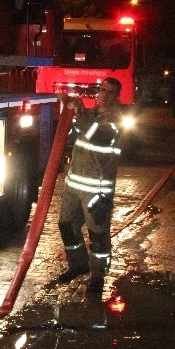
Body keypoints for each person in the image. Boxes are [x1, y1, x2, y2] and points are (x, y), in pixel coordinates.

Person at [57, 77, 124, 297]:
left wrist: (79, 113)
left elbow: (98, 137)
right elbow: (71, 135)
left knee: (98, 235)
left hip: (97, 191)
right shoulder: (90, 115)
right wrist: (67, 109)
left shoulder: (117, 120)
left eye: (111, 92)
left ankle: (97, 276)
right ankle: (78, 265)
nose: (105, 95)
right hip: (73, 185)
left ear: (117, 97)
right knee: (67, 226)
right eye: (103, 90)